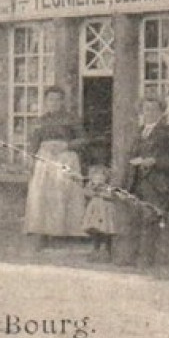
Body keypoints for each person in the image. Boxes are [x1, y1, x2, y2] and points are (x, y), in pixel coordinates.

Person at [120, 96, 169, 267]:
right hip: (136, 181)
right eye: (146, 109)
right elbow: (129, 157)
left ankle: (146, 259)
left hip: (157, 183)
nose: (149, 113)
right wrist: (124, 181)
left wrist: (155, 161)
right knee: (133, 218)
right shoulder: (138, 131)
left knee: (150, 218)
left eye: (154, 109)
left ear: (161, 112)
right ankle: (130, 257)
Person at [22, 86, 87, 250]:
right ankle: (43, 233)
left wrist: (66, 145)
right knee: (43, 195)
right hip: (45, 159)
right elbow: (33, 142)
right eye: (51, 99)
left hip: (66, 158)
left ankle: (64, 233)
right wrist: (30, 158)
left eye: (58, 100)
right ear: (45, 102)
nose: (54, 103)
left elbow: (84, 140)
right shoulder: (40, 121)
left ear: (63, 102)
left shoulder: (72, 119)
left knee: (63, 194)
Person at [81, 164, 119, 260]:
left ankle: (107, 251)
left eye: (101, 177)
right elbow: (86, 193)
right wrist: (93, 190)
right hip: (94, 211)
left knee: (106, 230)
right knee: (95, 230)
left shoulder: (108, 186)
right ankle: (95, 249)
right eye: (95, 177)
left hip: (105, 211)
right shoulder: (91, 185)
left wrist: (102, 193)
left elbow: (111, 196)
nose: (98, 180)